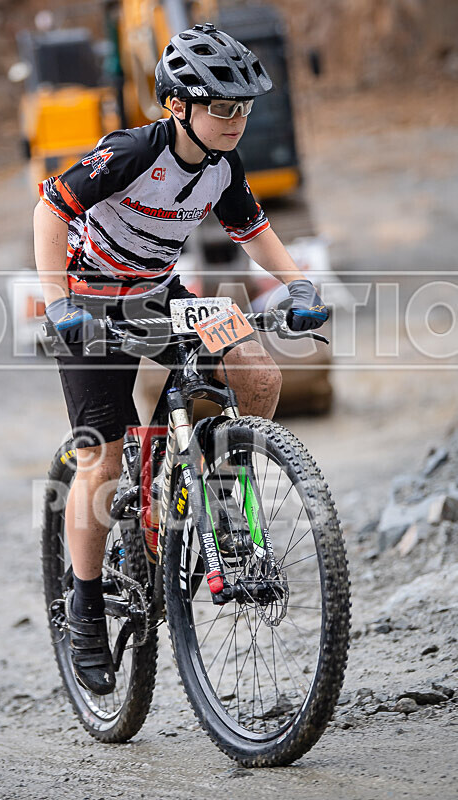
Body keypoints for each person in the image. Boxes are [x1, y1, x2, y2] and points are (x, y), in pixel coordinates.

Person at [33, 23, 329, 696]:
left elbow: (249, 227)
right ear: (178, 107)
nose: (236, 120)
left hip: (160, 293)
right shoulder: (134, 151)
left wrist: (298, 285)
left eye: (243, 108)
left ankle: (224, 508)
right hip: (89, 299)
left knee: (257, 374)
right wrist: (56, 306)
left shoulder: (223, 165)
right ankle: (84, 606)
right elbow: (50, 210)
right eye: (222, 108)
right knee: (101, 458)